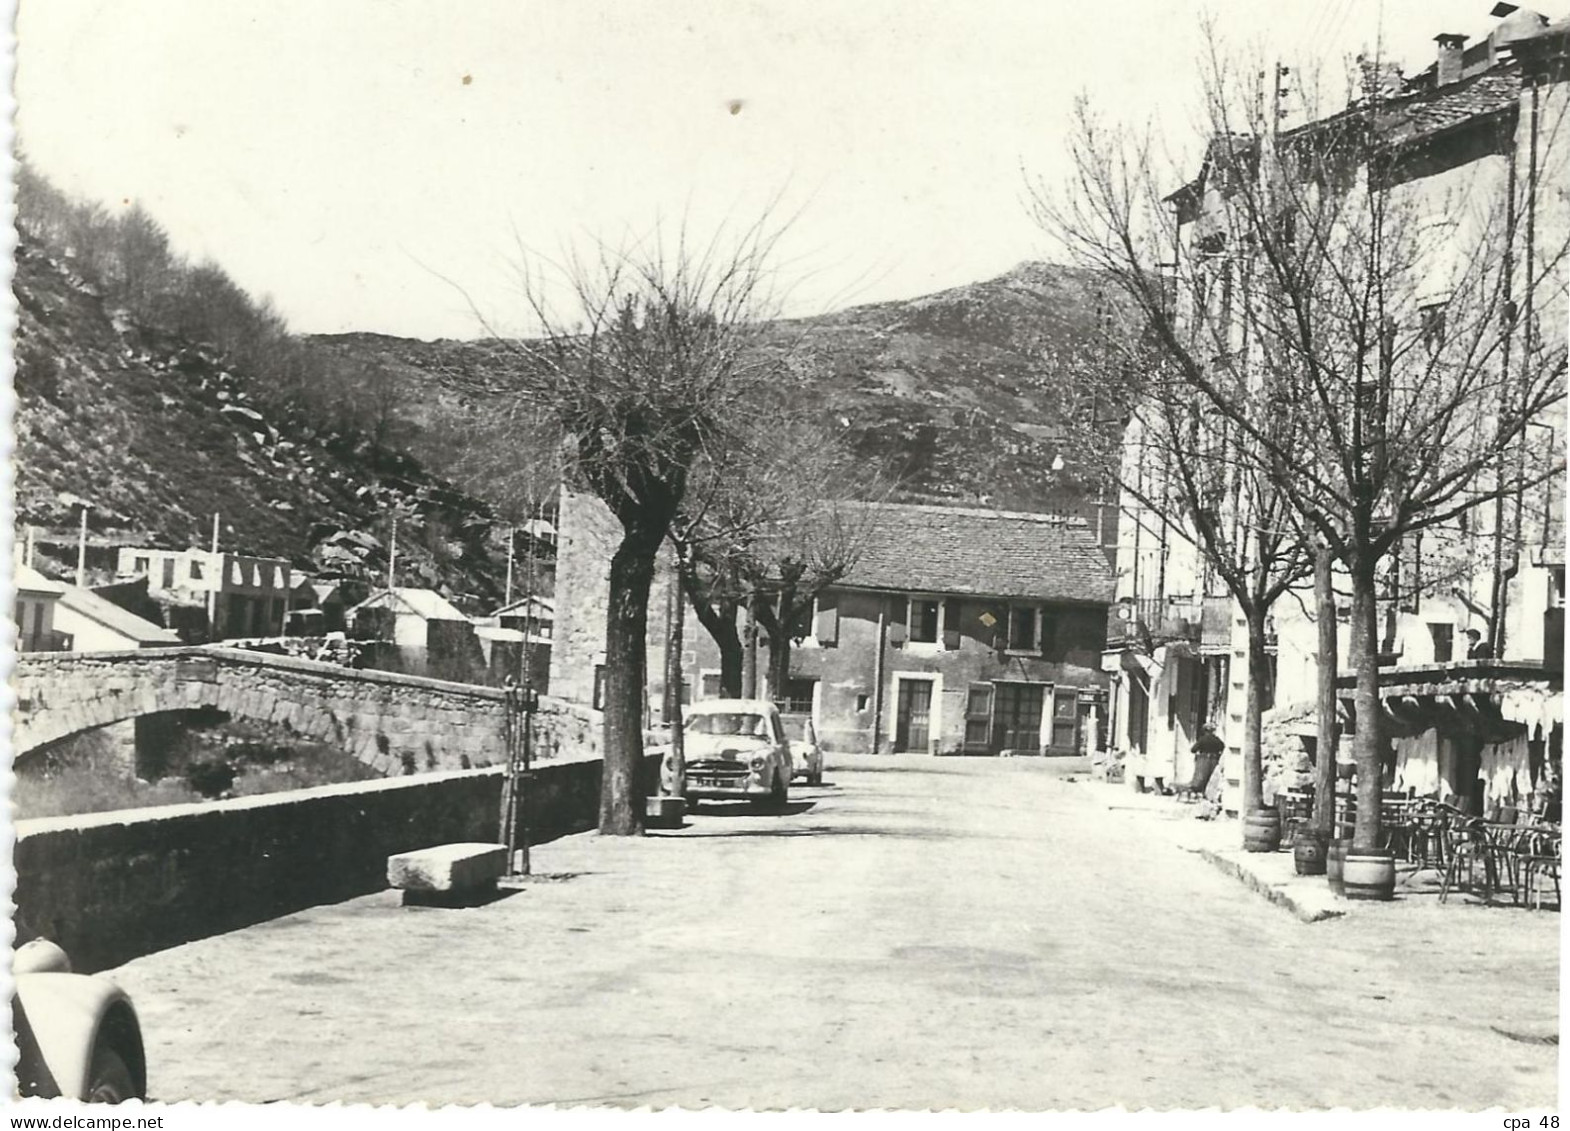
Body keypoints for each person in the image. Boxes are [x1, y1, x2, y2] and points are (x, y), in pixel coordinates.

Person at [1186, 724, 1226, 800]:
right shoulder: (1217, 740)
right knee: (1211, 777)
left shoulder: (1202, 740)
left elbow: (1193, 750)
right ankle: (1207, 793)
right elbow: (1223, 747)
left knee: (1200, 777)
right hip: (1214, 760)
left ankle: (1198, 793)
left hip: (1203, 759)